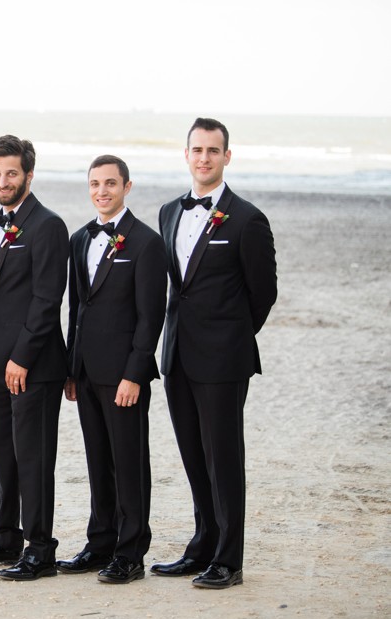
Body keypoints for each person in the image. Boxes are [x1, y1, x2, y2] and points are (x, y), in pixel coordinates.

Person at [151, 117, 277, 589]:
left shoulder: (247, 218)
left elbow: (263, 294)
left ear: (227, 157)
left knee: (223, 457)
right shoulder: (168, 212)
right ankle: (203, 544)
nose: (204, 158)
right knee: (191, 455)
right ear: (187, 155)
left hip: (223, 361)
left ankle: (229, 558)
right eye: (197, 150)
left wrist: (229, 338)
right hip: (178, 355)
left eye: (213, 150)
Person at [0, 135, 70, 581]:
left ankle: (40, 549)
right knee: (3, 455)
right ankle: (6, 538)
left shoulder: (48, 225)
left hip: (34, 368)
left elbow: (47, 300)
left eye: (11, 173)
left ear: (28, 175)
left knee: (34, 459)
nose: (3, 181)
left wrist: (22, 357)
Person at [56, 155, 167, 583]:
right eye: (95, 184)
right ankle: (100, 541)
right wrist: (71, 366)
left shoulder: (146, 243)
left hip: (124, 376)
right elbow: (76, 308)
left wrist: (135, 373)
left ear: (127, 186)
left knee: (129, 462)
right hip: (85, 373)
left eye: (110, 183)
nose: (102, 191)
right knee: (98, 461)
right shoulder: (80, 238)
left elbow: (150, 316)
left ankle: (130, 551)